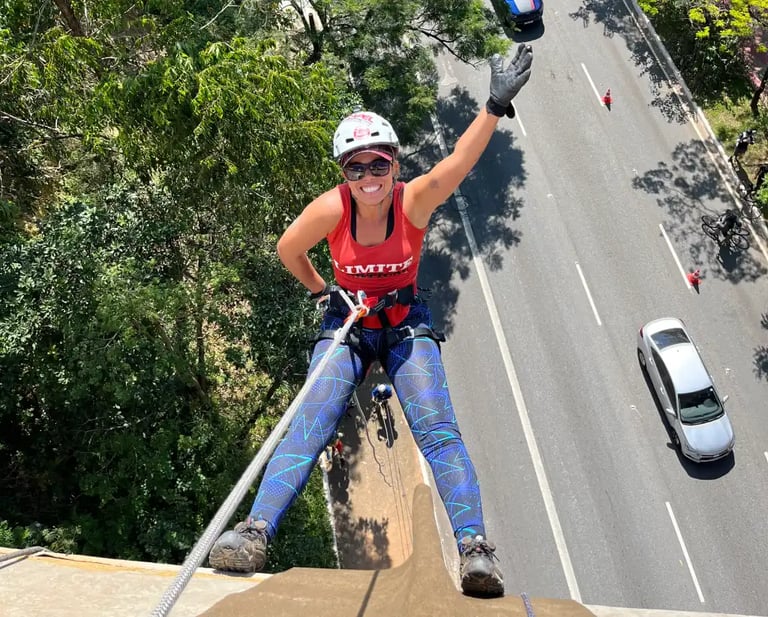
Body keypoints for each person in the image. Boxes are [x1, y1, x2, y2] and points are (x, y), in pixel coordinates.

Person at [208, 43, 534, 598]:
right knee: (311, 420)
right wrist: (321, 291)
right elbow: (289, 249)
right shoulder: (333, 208)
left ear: (394, 165)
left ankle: (475, 551)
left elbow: (458, 162)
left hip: (404, 325)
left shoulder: (413, 203)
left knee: (438, 432)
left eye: (378, 164)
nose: (368, 177)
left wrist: (494, 106)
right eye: (355, 168)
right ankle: (256, 533)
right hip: (351, 326)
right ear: (344, 174)